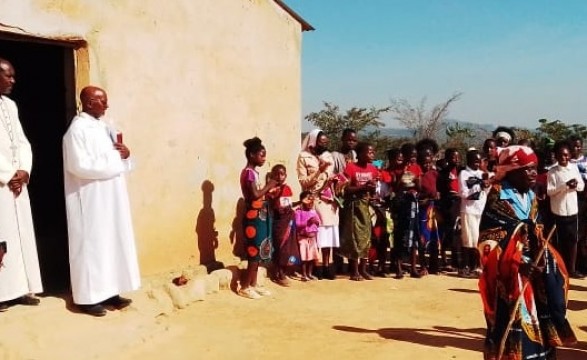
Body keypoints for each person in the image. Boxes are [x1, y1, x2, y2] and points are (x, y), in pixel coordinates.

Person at [478, 145, 576, 360]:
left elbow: (538, 228)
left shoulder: (531, 196)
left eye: (535, 169)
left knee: (542, 316)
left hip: (535, 272)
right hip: (510, 274)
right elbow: (488, 240)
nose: (534, 174)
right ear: (512, 170)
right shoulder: (497, 198)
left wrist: (543, 258)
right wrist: (517, 263)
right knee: (512, 322)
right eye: (528, 169)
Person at [63, 86, 140, 316]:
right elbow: (80, 165)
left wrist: (125, 154)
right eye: (102, 101)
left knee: (111, 241)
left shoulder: (105, 126)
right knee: (92, 245)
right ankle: (87, 298)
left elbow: (116, 154)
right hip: (90, 198)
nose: (107, 105)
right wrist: (116, 161)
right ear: (88, 103)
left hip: (111, 196)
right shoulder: (76, 131)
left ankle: (109, 291)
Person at [0, 58, 43, 311]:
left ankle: (20, 289)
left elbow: (23, 142)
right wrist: (8, 174)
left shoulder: (11, 105)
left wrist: (24, 171)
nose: (13, 81)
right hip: (2, 183)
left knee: (19, 235)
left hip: (16, 184)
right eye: (9, 76)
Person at [238, 137, 277, 299]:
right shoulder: (248, 173)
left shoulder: (253, 172)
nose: (264, 158)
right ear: (252, 155)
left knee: (260, 250)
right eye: (261, 155)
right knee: (254, 252)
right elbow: (254, 195)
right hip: (252, 217)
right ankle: (245, 287)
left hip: (259, 216)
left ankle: (254, 284)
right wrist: (269, 186)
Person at [297, 129, 339, 280]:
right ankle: (316, 266)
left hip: (329, 200)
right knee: (316, 233)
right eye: (321, 142)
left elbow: (330, 174)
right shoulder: (303, 157)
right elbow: (304, 182)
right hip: (314, 200)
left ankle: (328, 265)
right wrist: (319, 171)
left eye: (326, 142)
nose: (324, 144)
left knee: (329, 234)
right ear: (313, 142)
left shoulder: (328, 156)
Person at [340, 142, 379, 280]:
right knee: (354, 238)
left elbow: (374, 190)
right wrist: (363, 187)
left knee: (367, 238)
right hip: (354, 207)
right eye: (369, 152)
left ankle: (364, 269)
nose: (372, 154)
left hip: (367, 206)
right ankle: (354, 270)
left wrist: (373, 189)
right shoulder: (351, 168)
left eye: (373, 152)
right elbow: (345, 189)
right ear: (360, 154)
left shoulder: (373, 169)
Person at [547, 140, 585, 279]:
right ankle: (560, 268)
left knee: (573, 240)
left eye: (566, 155)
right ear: (556, 156)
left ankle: (572, 269)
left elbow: (581, 186)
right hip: (559, 210)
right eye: (561, 155)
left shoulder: (573, 168)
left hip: (572, 209)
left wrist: (574, 185)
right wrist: (564, 186)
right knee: (560, 241)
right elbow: (550, 191)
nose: (564, 158)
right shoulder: (553, 172)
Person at [458, 149, 490, 278]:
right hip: (469, 209)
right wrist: (478, 187)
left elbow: (485, 193)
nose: (477, 164)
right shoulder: (464, 174)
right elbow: (463, 193)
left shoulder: (482, 174)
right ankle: (466, 266)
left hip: (479, 210)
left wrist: (486, 186)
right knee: (469, 238)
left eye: (479, 161)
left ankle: (475, 265)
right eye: (475, 161)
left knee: (477, 239)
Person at [267, 164, 298, 286]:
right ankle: (278, 273)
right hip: (279, 222)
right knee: (279, 247)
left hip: (288, 220)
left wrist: (301, 202)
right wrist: (276, 194)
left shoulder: (287, 188)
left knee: (288, 248)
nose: (280, 177)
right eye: (277, 174)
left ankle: (285, 271)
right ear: (272, 175)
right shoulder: (270, 190)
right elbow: (274, 206)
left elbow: (288, 205)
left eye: (282, 174)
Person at [568, 134, 587, 274]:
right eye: (575, 145)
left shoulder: (586, 161)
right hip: (572, 200)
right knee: (576, 234)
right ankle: (574, 266)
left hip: (585, 198)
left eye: (579, 145)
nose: (577, 148)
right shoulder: (566, 162)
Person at [295, 191, 321, 281]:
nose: (310, 204)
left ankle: (309, 273)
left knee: (312, 257)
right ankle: (304, 274)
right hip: (303, 238)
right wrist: (307, 222)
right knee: (304, 257)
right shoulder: (298, 212)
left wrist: (316, 222)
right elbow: (297, 224)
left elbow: (318, 222)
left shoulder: (313, 212)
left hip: (312, 238)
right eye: (308, 202)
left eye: (312, 202)